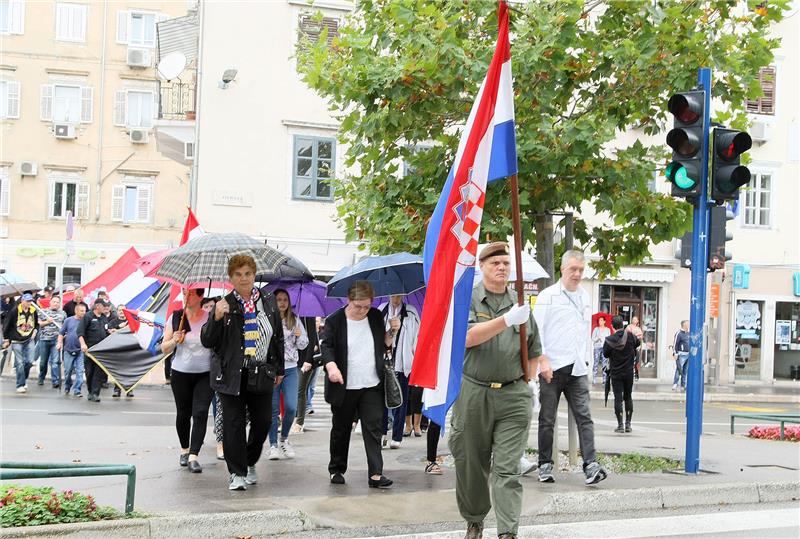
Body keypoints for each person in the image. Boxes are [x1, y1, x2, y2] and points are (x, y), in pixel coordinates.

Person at [449, 242, 543, 539]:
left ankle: (507, 532)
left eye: (505, 263)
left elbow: (533, 349)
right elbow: (465, 338)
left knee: (507, 468)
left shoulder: (522, 304)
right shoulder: (469, 299)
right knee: (470, 463)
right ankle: (475, 520)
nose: (502, 268)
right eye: (495, 263)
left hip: (513, 395)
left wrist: (530, 383)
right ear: (482, 267)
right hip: (474, 392)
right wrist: (505, 321)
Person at [201, 255, 284, 491]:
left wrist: (278, 368)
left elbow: (276, 336)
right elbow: (208, 340)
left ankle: (249, 460)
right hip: (231, 374)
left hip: (262, 371)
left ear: (254, 274)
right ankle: (237, 472)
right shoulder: (223, 303)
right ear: (231, 278)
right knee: (234, 424)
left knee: (263, 422)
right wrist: (216, 317)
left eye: (247, 273)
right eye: (238, 274)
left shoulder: (267, 301)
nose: (243, 278)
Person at [533, 250, 607, 486]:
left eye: (581, 270)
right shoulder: (548, 296)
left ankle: (591, 465)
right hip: (551, 368)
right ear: (562, 269)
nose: (577, 274)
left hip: (577, 368)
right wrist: (542, 360)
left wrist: (586, 362)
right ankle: (545, 465)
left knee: (584, 417)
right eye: (573, 269)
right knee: (547, 419)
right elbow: (537, 331)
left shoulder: (586, 297)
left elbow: (584, 333)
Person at [321, 280, 394, 488]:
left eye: (366, 306)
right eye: (358, 306)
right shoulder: (334, 320)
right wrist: (331, 367)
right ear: (348, 300)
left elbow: (384, 345)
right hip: (345, 385)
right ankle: (336, 469)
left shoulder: (375, 316)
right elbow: (326, 347)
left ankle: (376, 474)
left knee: (373, 427)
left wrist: (392, 332)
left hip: (371, 383)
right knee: (341, 430)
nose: (362, 310)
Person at [162, 288, 214, 474]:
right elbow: (164, 348)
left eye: (191, 294)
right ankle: (184, 449)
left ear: (200, 297)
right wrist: (175, 340)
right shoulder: (176, 318)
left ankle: (194, 456)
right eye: (185, 294)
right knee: (183, 414)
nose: (186, 297)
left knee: (200, 413)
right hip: (181, 372)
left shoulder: (210, 318)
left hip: (205, 373)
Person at [267, 289, 308, 460]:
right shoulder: (269, 320)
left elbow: (304, 345)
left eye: (285, 299)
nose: (282, 302)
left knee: (291, 407)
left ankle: (284, 439)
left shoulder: (295, 320)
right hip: (273, 369)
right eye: (278, 299)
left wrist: (299, 336)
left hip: (291, 368)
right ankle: (273, 445)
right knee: (273, 409)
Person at [377, 294, 420, 449]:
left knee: (401, 400)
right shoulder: (381, 310)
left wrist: (415, 361)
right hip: (384, 362)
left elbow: (417, 338)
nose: (395, 297)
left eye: (399, 293)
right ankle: (381, 433)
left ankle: (397, 436)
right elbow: (375, 335)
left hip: (403, 363)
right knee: (381, 399)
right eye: (393, 293)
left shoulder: (411, 312)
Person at [603, 315, 640, 433]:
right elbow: (638, 343)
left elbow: (605, 354)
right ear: (623, 325)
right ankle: (628, 424)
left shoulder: (609, 339)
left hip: (616, 373)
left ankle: (620, 425)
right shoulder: (630, 336)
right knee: (628, 397)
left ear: (612, 326)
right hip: (629, 372)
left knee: (618, 398)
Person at [2, 292, 39, 393]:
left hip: (29, 339)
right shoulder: (14, 311)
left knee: (30, 361)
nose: (29, 303)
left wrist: (35, 331)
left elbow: (36, 324)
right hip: (16, 340)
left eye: (31, 301)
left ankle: (24, 378)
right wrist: (6, 339)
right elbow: (7, 325)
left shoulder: (33, 311)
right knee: (20, 363)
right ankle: (20, 384)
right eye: (27, 301)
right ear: (22, 301)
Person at [78, 299, 110, 402]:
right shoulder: (88, 316)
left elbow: (106, 331)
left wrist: (110, 331)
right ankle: (90, 391)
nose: (105, 307)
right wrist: (83, 344)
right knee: (89, 371)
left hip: (101, 350)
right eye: (103, 305)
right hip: (89, 349)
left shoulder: (104, 318)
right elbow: (80, 332)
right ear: (97, 306)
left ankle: (95, 393)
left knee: (98, 372)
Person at [293, 316, 321, 433]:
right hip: (291, 358)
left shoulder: (308, 316)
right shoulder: (289, 316)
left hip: (305, 360)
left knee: (300, 390)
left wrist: (308, 360)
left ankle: (299, 422)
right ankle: (289, 418)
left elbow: (312, 336)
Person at [36, 295, 66, 388]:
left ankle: (55, 381)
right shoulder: (44, 312)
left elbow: (65, 326)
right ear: (50, 302)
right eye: (54, 301)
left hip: (56, 340)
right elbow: (39, 324)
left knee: (55, 362)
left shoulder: (63, 313)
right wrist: (47, 322)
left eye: (57, 302)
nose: (56, 304)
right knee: (43, 362)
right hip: (44, 339)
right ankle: (41, 378)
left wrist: (64, 335)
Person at [57, 303, 86, 397]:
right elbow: (61, 333)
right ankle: (67, 386)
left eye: (85, 311)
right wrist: (59, 343)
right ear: (76, 311)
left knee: (80, 371)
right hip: (68, 349)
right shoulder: (68, 320)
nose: (84, 313)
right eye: (82, 311)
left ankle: (77, 389)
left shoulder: (85, 321)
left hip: (80, 350)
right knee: (68, 371)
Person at [591, 316, 611, 384]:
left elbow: (609, 338)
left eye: (601, 320)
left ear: (604, 321)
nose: (600, 322)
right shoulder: (596, 329)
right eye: (599, 320)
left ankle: (604, 379)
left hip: (605, 347)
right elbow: (593, 338)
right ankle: (594, 378)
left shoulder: (607, 330)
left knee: (604, 363)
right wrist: (597, 338)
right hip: (597, 347)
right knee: (596, 362)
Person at [672, 320, 690, 391]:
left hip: (688, 354)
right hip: (681, 354)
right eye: (687, 324)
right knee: (679, 369)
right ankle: (675, 383)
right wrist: (675, 353)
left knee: (685, 370)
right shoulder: (679, 333)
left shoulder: (688, 333)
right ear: (684, 325)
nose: (689, 325)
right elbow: (675, 344)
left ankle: (683, 384)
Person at [626, 316, 644, 381]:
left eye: (636, 319)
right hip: (629, 346)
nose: (634, 320)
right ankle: (629, 374)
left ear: (637, 321)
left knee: (636, 361)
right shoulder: (628, 327)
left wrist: (636, 335)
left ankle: (636, 374)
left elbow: (641, 336)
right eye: (633, 319)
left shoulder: (638, 328)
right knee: (629, 361)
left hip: (636, 347)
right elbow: (627, 335)